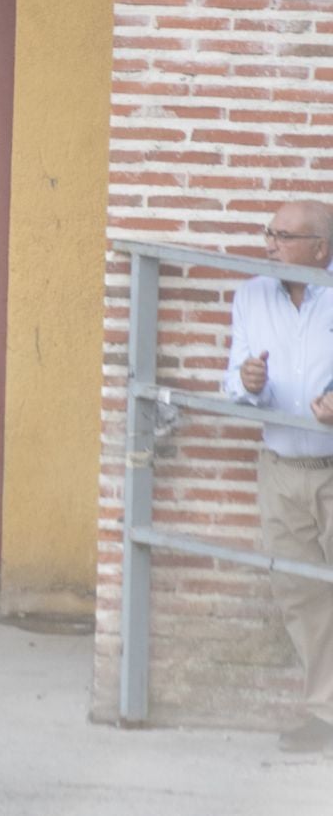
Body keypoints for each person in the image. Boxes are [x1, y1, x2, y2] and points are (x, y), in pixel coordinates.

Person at [222, 200, 333, 753]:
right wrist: (249, 379)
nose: (270, 244)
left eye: (283, 236)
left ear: (320, 248)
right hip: (282, 469)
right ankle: (326, 713)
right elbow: (236, 385)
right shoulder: (252, 295)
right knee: (301, 593)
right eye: (269, 233)